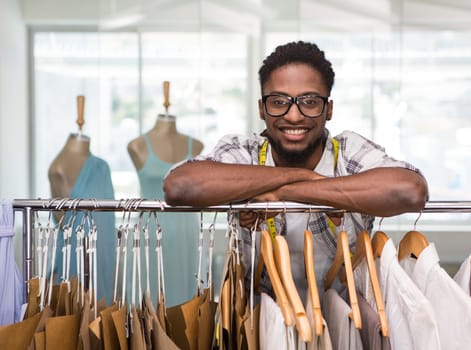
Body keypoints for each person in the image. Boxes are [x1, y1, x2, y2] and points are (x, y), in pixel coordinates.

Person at [163, 41, 428, 300]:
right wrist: (303, 177)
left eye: (309, 101)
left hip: (346, 329)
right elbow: (181, 187)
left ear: (329, 109)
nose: (293, 116)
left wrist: (285, 192)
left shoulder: (347, 152)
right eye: (279, 102)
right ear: (261, 108)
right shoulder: (245, 152)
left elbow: (410, 191)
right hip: (260, 328)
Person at [128, 113, 204, 306]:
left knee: (186, 304)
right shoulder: (137, 146)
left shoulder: (195, 146)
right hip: (151, 230)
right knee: (150, 299)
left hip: (186, 232)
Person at [48, 131, 116, 304]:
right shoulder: (59, 168)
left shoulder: (102, 167)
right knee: (75, 315)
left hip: (105, 256)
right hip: (76, 254)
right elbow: (62, 220)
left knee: (104, 319)